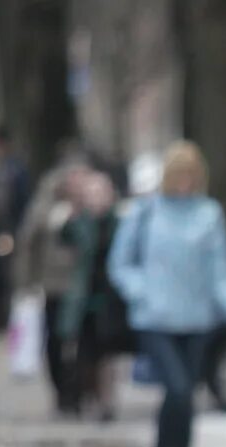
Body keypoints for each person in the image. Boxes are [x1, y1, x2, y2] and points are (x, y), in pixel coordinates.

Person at [108, 141, 226, 447]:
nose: (185, 183)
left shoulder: (209, 215)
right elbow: (120, 264)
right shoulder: (145, 213)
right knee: (176, 388)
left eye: (191, 176)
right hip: (155, 319)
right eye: (179, 175)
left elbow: (220, 275)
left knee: (184, 398)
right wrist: (141, 292)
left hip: (195, 320)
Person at [17, 145, 91, 415]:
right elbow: (29, 241)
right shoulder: (47, 204)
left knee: (85, 341)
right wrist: (26, 282)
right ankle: (61, 390)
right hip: (54, 284)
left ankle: (79, 391)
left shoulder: (91, 202)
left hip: (86, 284)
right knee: (56, 340)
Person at [60, 169, 125, 422]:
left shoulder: (119, 222)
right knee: (85, 351)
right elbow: (63, 238)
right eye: (92, 194)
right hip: (84, 296)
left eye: (101, 193)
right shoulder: (79, 223)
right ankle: (86, 396)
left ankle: (106, 400)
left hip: (110, 297)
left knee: (108, 352)